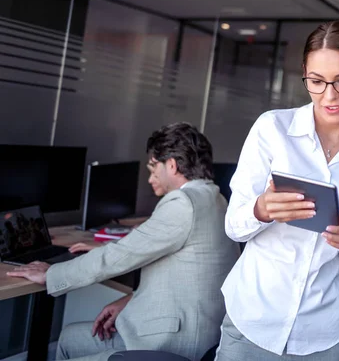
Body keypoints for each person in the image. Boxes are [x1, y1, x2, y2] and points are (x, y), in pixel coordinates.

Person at [215, 21, 339, 360]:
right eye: (316, 81)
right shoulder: (272, 129)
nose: (329, 95)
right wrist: (262, 209)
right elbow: (233, 225)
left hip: (326, 332)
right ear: (305, 75)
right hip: (252, 318)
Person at [8, 122, 240, 361]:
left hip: (170, 342)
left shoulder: (184, 203)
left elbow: (118, 257)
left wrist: (51, 275)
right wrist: (129, 300)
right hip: (195, 330)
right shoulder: (215, 199)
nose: (151, 178)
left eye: (153, 168)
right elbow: (186, 273)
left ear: (171, 165)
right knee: (68, 339)